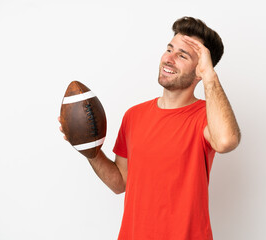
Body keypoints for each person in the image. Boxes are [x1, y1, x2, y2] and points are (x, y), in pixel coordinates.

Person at [59, 16, 240, 239]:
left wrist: (210, 76)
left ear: (200, 70)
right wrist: (88, 148)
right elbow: (120, 183)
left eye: (182, 55)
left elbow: (226, 141)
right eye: (169, 49)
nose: (169, 59)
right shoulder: (134, 115)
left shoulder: (205, 116)